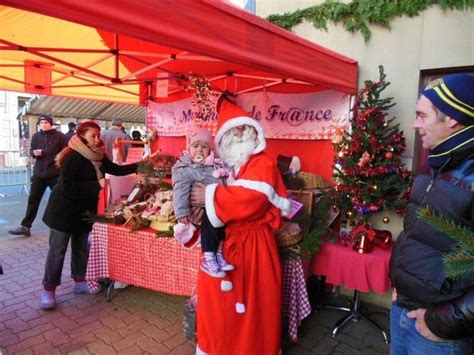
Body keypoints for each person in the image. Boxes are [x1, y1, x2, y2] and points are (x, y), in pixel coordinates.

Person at [190, 98, 290, 355]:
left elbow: (251, 199)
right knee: (219, 310)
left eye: (241, 130)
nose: (237, 136)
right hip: (229, 245)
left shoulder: (263, 163)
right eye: (231, 133)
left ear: (252, 132)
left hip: (252, 248)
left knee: (252, 309)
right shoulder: (236, 165)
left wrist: (209, 196)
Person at [389, 74, 474, 354]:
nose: (415, 125)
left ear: (451, 119)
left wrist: (442, 322)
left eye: (422, 116)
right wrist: (400, 284)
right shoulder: (434, 163)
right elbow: (417, 234)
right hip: (403, 306)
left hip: (437, 332)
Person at [39, 121, 147, 310]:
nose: (98, 139)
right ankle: (49, 289)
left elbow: (116, 169)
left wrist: (142, 164)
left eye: (98, 135)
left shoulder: (98, 155)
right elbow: (67, 187)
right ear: (82, 138)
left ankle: (79, 280)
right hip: (63, 212)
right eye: (93, 136)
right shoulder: (72, 156)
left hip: (84, 211)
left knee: (80, 248)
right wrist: (97, 185)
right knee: (57, 252)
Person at [172, 127, 234, 278]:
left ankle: (218, 253)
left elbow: (226, 180)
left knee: (222, 223)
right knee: (210, 221)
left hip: (217, 204)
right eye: (195, 146)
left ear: (210, 149)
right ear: (189, 148)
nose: (200, 150)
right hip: (200, 209)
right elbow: (180, 190)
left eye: (204, 146)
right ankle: (208, 256)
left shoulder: (217, 164)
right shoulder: (184, 168)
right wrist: (181, 211)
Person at [9, 115, 68, 237]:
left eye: (46, 122)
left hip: (54, 173)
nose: (43, 124)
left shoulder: (60, 136)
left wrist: (47, 154)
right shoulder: (36, 136)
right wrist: (34, 153)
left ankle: (68, 225)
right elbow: (32, 150)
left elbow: (65, 153)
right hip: (39, 174)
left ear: (51, 124)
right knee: (33, 200)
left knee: (61, 199)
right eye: (41, 123)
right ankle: (26, 226)